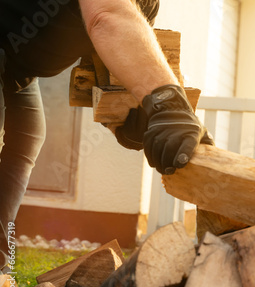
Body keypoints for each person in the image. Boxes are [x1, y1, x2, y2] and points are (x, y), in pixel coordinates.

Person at [0, 0, 213, 268]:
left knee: (27, 136)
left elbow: (109, 69)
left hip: (15, 67)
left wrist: (123, 125)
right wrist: (170, 105)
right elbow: (106, 16)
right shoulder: (116, 12)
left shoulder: (144, 7)